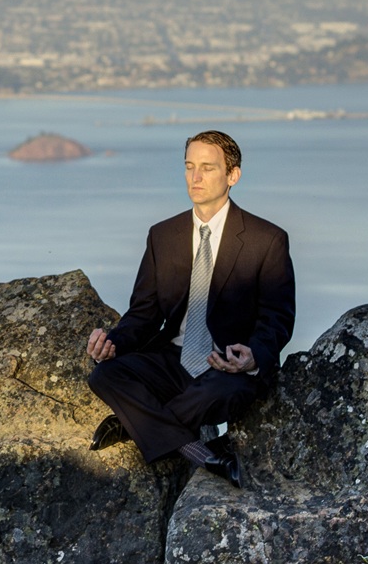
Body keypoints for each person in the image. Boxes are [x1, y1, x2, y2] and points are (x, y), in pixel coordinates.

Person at [86, 130, 295, 486]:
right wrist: (113, 343)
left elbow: (277, 317)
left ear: (233, 176)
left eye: (208, 168)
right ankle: (203, 453)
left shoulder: (267, 240)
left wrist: (253, 356)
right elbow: (144, 313)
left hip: (227, 366)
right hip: (173, 359)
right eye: (189, 167)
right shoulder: (163, 236)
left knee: (216, 392)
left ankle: (131, 424)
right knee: (105, 374)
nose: (195, 178)